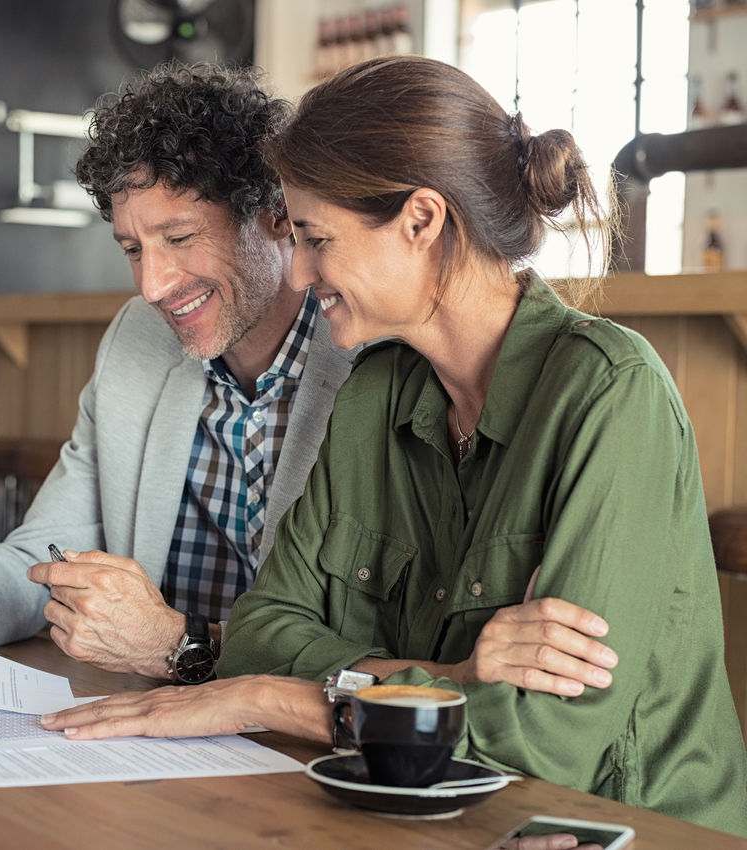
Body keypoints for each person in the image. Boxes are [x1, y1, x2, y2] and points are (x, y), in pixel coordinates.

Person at [41, 55, 747, 836]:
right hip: (410, 815)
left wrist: (276, 699)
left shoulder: (612, 394)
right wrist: (452, 677)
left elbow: (545, 739)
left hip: (614, 827)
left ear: (421, 220)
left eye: (315, 239)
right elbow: (262, 632)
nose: (300, 274)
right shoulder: (375, 391)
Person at [0, 62, 355, 681]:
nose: (152, 285)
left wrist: (185, 645)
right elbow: (46, 556)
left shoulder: (370, 363)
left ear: (276, 214)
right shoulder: (135, 341)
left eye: (180, 237)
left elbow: (369, 639)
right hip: (160, 724)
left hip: (311, 734)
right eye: (133, 248)